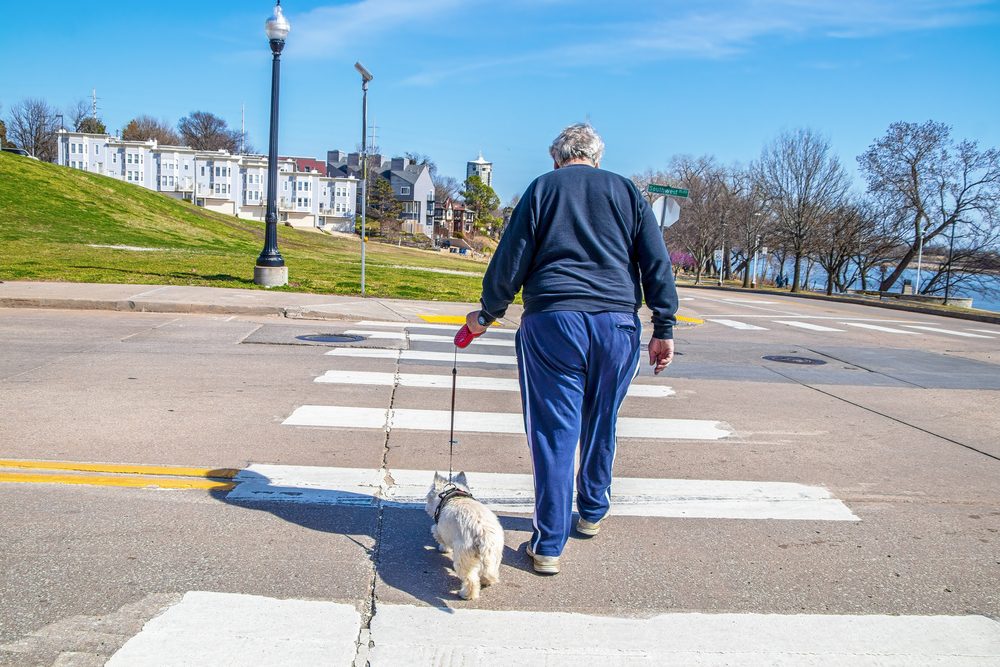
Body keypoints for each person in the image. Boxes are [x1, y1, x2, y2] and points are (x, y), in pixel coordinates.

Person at [463, 123, 678, 574]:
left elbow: (512, 256)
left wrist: (488, 313)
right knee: (602, 421)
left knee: (554, 435)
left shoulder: (543, 188)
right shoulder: (626, 191)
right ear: (596, 157)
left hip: (554, 320)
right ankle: (593, 512)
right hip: (617, 324)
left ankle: (549, 546)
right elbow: (655, 260)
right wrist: (664, 325)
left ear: (556, 157)